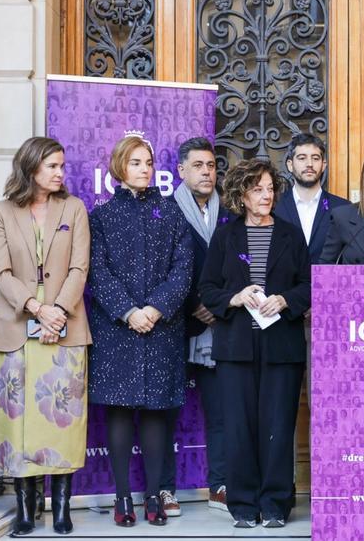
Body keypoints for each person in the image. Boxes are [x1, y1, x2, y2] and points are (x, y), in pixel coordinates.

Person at [87, 133, 194, 527]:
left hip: (161, 329)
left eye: (148, 163)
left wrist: (154, 308)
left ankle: (152, 496)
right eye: (135, 163)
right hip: (117, 330)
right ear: (119, 167)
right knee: (118, 412)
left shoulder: (171, 213)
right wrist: (129, 311)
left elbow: (183, 269)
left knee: (154, 414)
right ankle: (121, 498)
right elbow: (97, 271)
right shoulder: (101, 217)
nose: (144, 169)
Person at [199, 159, 312, 529]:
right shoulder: (224, 237)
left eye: (270, 189)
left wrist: (285, 300)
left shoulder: (291, 235)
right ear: (241, 195)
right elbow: (207, 288)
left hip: (282, 347)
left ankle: (276, 504)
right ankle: (244, 505)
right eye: (257, 189)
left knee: (278, 427)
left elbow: (309, 285)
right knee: (239, 428)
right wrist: (234, 297)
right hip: (236, 348)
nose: (266, 196)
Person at [0, 137, 91, 536]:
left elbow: (79, 267)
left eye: (62, 166)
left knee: (62, 421)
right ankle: (25, 510)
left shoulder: (74, 208)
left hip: (66, 324)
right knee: (19, 423)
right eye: (52, 166)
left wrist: (58, 310)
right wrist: (36, 308)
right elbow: (2, 272)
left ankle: (60, 509)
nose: (60, 173)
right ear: (31, 167)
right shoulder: (2, 212)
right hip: (18, 326)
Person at [163, 137, 230, 515]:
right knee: (166, 413)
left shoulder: (230, 213)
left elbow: (238, 266)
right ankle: (164, 490)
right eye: (199, 166)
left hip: (219, 327)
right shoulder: (165, 212)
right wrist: (193, 306)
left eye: (211, 166)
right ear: (181, 171)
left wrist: (216, 306)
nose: (207, 172)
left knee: (220, 412)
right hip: (175, 326)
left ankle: (219, 485)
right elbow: (161, 270)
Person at [273, 132, 352, 263]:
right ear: (290, 165)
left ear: (323, 165)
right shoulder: (274, 206)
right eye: (302, 158)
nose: (309, 164)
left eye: (315, 158)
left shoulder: (343, 208)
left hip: (327, 277)